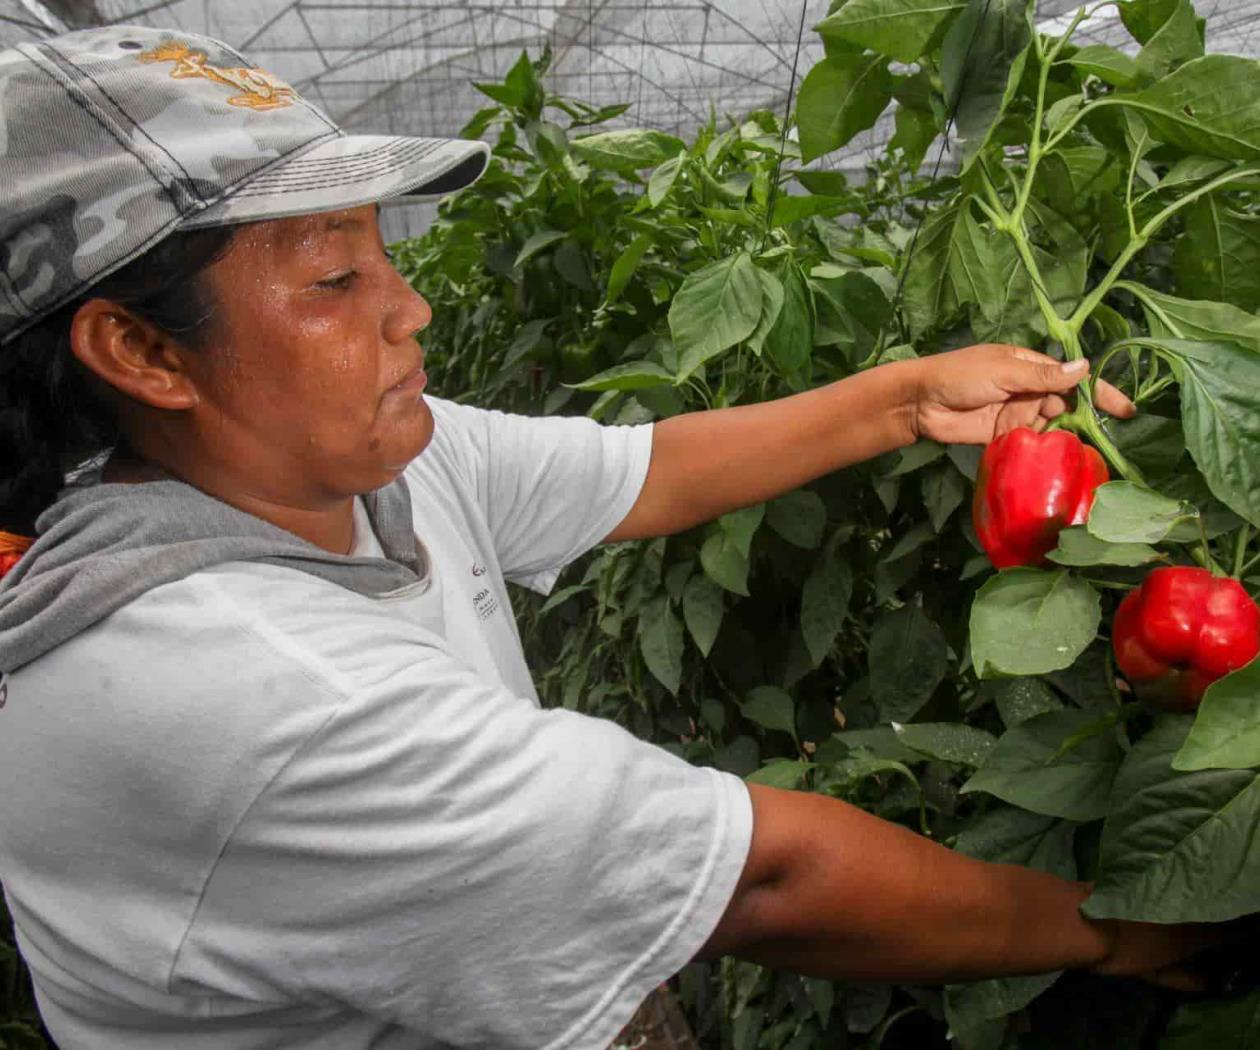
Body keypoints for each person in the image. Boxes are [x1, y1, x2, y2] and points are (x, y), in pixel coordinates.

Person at [0, 24, 1211, 1050]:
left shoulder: (340, 463)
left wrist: (907, 399)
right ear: (144, 351)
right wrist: (1129, 926)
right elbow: (763, 877)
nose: (408, 306)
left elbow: (648, 470)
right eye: (331, 281)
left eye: (384, 252)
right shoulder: (236, 690)